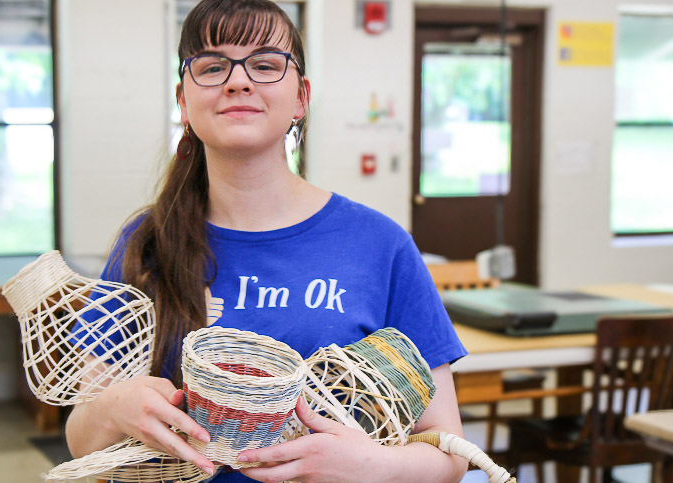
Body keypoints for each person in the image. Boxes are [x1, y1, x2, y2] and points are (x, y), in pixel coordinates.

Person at [65, 0, 468, 481]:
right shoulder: (147, 242)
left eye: (265, 64)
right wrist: (112, 410)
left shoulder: (381, 245)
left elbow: (451, 455)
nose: (239, 81)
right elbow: (80, 440)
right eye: (212, 66)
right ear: (183, 101)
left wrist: (375, 466)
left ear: (301, 97)